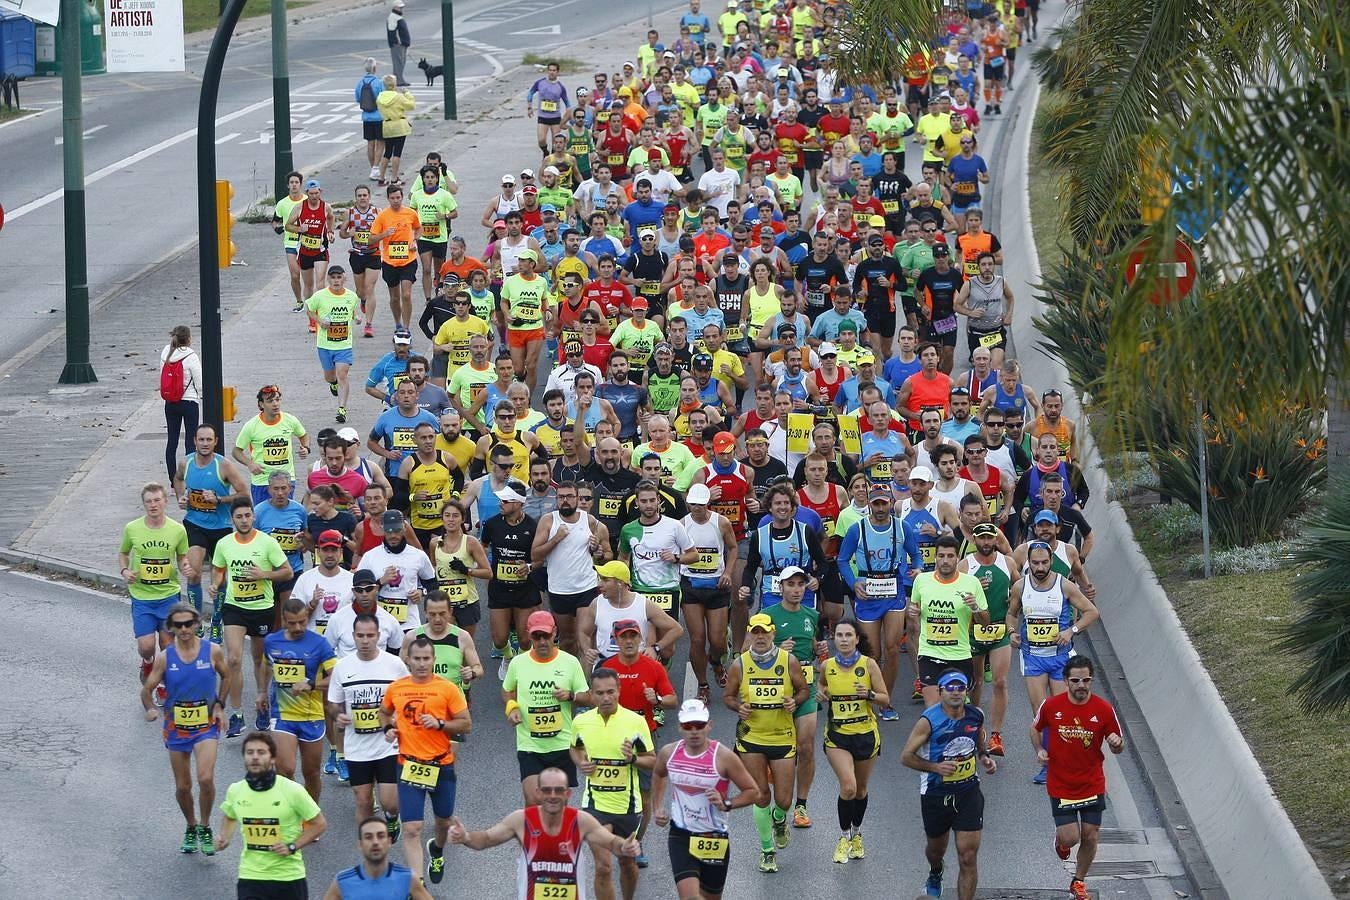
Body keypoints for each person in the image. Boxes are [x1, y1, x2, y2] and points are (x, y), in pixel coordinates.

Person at [446, 767, 642, 896]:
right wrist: (466, 837)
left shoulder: (580, 821)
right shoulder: (521, 820)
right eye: (547, 790)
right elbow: (487, 839)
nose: (553, 796)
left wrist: (625, 846)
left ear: (568, 793)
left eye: (558, 790)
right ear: (538, 793)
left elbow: (611, 842)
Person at [1006, 539, 1100, 785]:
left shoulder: (1064, 585)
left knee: (1062, 714)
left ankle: (1066, 765)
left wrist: (1072, 631)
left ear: (1051, 562)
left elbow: (1091, 612)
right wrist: (1011, 632)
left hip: (1060, 659)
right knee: (1042, 715)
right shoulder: (1020, 586)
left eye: (1044, 562)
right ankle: (1048, 767)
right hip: (1033, 658)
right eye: (1035, 563)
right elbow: (1011, 614)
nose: (1039, 567)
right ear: (1028, 563)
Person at [1031, 656, 1125, 900]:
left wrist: (1116, 744)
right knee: (1071, 837)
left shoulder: (1103, 709)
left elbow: (1118, 742)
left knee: (1091, 834)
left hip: (1092, 782)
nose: (1081, 685)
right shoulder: (1051, 706)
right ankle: (1061, 842)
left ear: (1091, 680)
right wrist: (1040, 750)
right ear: (1066, 681)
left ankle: (1079, 881)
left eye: (1086, 680)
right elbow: (1035, 728)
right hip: (1061, 783)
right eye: (1075, 680)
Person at [379, 635, 471, 884]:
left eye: (426, 659)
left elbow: (466, 724)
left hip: (441, 765)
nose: (421, 664)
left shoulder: (447, 689)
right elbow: (384, 712)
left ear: (433, 659)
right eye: (417, 659)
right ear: (408, 660)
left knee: (443, 822)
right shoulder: (397, 688)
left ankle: (437, 850)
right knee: (411, 829)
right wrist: (387, 728)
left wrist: (441, 724)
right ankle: (416, 883)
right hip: (408, 764)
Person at [900, 668, 997, 900]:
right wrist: (935, 767)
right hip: (936, 793)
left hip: (968, 793)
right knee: (936, 850)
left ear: (966, 691)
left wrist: (984, 758)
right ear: (941, 691)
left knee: (968, 856)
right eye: (950, 688)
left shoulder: (975, 715)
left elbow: (978, 740)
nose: (955, 692)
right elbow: (906, 757)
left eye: (960, 687)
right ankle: (935, 872)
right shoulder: (928, 721)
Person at [723, 612, 808, 874]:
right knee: (760, 795)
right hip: (751, 737)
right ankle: (767, 850)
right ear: (749, 634)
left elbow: (804, 689)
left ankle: (779, 819)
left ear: (773, 634)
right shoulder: (740, 664)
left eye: (764, 633)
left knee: (783, 799)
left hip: (782, 736)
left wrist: (796, 701)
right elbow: (728, 696)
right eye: (755, 633)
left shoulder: (788, 661)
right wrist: (738, 707)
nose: (760, 637)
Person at [141, 601, 229, 855]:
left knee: (205, 778)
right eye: (178, 625)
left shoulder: (212, 651)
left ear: (197, 624)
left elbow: (228, 675)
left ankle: (205, 825)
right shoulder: (165, 657)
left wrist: (220, 705)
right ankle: (191, 826)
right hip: (176, 727)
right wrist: (150, 708)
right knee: (183, 787)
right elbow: (146, 690)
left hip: (205, 726)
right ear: (171, 628)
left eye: (188, 624)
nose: (184, 629)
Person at [650, 698, 760, 900]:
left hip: (713, 837)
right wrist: (657, 807)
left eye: (699, 725)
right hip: (680, 834)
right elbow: (658, 774)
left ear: (709, 725)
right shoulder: (669, 753)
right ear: (680, 727)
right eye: (688, 725)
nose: (694, 731)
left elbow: (753, 791)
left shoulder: (724, 757)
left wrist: (727, 804)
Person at [836, 482, 920, 722]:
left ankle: (885, 700)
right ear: (870, 505)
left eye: (884, 502)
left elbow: (915, 553)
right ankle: (867, 699)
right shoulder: (857, 529)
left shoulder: (902, 527)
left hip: (893, 591)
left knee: (893, 650)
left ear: (891, 503)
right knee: (872, 653)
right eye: (876, 503)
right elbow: (842, 560)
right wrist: (854, 584)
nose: (881, 508)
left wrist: (917, 568)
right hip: (868, 591)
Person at [570, 667, 655, 900]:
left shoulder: (635, 722)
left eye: (610, 692)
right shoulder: (582, 721)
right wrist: (581, 762)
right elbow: (574, 747)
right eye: (599, 693)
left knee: (627, 864)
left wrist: (633, 759)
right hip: (594, 806)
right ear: (592, 694)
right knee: (603, 866)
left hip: (627, 807)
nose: (605, 698)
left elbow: (652, 760)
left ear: (619, 691)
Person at [213, 497, 294, 738]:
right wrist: (215, 584)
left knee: (259, 659)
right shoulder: (225, 543)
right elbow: (218, 570)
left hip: (262, 607)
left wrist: (264, 574)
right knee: (235, 659)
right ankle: (237, 714)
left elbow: (287, 571)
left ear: (253, 516)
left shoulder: (267, 543)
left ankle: (261, 702)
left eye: (247, 515)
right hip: (234, 607)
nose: (244, 520)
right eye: (239, 516)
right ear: (233, 519)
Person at [215, 730, 328, 900]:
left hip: (288, 877)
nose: (254, 757)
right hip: (251, 876)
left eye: (261, 752)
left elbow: (319, 824)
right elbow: (230, 815)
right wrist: (225, 837)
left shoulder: (292, 790)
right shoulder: (236, 790)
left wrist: (293, 846)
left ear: (273, 758)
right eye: (249, 752)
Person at [503, 609, 593, 804]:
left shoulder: (570, 663)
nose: (542, 641)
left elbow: (588, 697)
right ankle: (532, 835)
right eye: (537, 636)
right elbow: (507, 690)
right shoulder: (518, 663)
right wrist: (512, 707)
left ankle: (556, 835)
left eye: (546, 636)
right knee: (533, 799)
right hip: (530, 744)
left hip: (561, 744)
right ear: (529, 635)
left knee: (557, 803)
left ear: (554, 633)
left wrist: (570, 695)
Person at [816, 619, 886, 865]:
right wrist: (820, 692)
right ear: (834, 638)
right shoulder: (827, 666)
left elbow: (885, 699)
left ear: (857, 639)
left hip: (865, 733)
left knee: (861, 789)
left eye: (848, 635)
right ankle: (844, 837)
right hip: (838, 734)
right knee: (848, 787)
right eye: (839, 635)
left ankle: (857, 833)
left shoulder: (869, 665)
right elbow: (821, 685)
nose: (843, 639)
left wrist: (868, 694)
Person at [760, 566, 824, 830]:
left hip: (806, 688)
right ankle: (780, 797)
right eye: (791, 585)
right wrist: (775, 650)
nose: (796, 589)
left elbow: (815, 647)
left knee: (806, 746)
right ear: (781, 588)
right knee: (780, 750)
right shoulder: (767, 615)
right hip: (776, 689)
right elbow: (744, 651)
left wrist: (820, 650)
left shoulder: (812, 615)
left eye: (801, 584)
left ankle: (801, 805)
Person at [260, 598, 336, 802]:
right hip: (282, 714)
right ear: (283, 620)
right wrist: (261, 692)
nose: (298, 627)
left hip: (311, 715)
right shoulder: (272, 641)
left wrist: (310, 684)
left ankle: (310, 816)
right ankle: (292, 809)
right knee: (284, 768)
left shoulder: (319, 644)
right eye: (292, 623)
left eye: (302, 621)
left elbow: (335, 678)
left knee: (311, 773)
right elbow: (266, 666)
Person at [176, 424, 251, 620]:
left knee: (220, 580)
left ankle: (217, 622)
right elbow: (177, 479)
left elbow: (244, 494)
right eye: (201, 439)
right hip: (195, 523)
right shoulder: (187, 463)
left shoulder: (223, 465)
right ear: (194, 441)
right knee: (193, 573)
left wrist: (219, 500)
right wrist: (181, 496)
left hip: (221, 527)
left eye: (209, 440)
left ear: (216, 441)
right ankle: (195, 620)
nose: (205, 443)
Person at [121, 482, 193, 686]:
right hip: (142, 596)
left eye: (157, 500)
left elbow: (181, 557)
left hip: (168, 596)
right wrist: (125, 571)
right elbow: (123, 553)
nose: (153, 505)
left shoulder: (178, 530)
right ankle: (147, 661)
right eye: (149, 501)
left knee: (167, 644)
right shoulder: (132, 528)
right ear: (144, 504)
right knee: (146, 646)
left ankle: (162, 684)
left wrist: (185, 566)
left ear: (165, 502)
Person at [678, 483, 740, 705]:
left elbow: (733, 548)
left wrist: (728, 572)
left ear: (707, 504)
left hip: (716, 586)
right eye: (693, 504)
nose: (696, 508)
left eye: (700, 504)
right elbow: (678, 553)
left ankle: (716, 662)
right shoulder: (682, 525)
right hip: (692, 586)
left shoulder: (721, 523)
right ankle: (703, 686)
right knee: (697, 639)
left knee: (717, 640)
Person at [958, 522, 1015, 757]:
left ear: (996, 539)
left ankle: (996, 735)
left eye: (990, 538)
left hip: (999, 630)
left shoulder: (1007, 562)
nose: (986, 543)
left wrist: (1013, 602)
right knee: (977, 682)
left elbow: (1020, 587)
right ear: (974, 540)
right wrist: (970, 590)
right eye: (981, 539)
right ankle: (975, 726)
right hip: (973, 632)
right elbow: (953, 593)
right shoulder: (966, 565)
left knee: (1000, 682)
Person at [356, 508, 436, 633]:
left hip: (410, 624)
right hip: (379, 625)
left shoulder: (418, 555)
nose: (393, 535)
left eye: (397, 530)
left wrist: (422, 591)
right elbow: (358, 590)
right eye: (389, 531)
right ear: (382, 528)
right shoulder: (370, 556)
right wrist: (381, 581)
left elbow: (432, 583)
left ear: (404, 528)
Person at [233, 384, 310, 505]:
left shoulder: (290, 420)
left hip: (285, 480)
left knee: (285, 517)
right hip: (262, 481)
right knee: (263, 520)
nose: (275, 404)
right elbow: (236, 451)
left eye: (277, 400)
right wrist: (250, 463)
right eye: (270, 401)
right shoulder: (251, 426)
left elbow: (303, 435)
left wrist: (305, 447)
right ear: (261, 405)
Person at [325, 816, 433, 900]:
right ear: (360, 845)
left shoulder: (407, 878)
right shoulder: (343, 881)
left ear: (389, 842)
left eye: (381, 836)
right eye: (368, 837)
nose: (375, 842)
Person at [160, 325, 202, 481]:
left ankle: (173, 481)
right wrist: (201, 396)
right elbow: (199, 381)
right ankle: (188, 478)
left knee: (172, 441)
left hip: (170, 402)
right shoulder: (191, 356)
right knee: (191, 442)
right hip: (189, 401)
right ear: (189, 339)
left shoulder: (165, 353)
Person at [356, 58, 385, 182]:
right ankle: (376, 167)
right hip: (378, 116)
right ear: (374, 68)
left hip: (366, 117)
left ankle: (373, 167)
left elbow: (358, 98)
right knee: (381, 142)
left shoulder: (360, 83)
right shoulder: (378, 83)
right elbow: (383, 98)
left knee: (370, 143)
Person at [386, 1, 411, 88]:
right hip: (398, 45)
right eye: (400, 7)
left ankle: (399, 79)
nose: (401, 9)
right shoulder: (393, 17)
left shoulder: (397, 17)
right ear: (395, 7)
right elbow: (392, 31)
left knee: (401, 62)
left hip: (402, 44)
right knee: (398, 63)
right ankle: (398, 80)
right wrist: (397, 42)